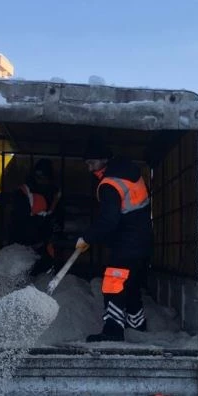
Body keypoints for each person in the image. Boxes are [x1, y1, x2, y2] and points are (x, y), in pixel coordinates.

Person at [76, 138, 152, 342]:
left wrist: (87, 237)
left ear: (103, 160)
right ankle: (137, 326)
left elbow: (109, 221)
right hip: (142, 241)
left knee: (113, 284)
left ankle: (113, 330)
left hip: (127, 242)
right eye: (87, 164)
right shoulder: (128, 172)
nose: (89, 169)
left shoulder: (110, 184)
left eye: (91, 163)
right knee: (132, 284)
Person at [11, 158, 61, 276]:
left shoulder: (55, 193)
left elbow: (58, 216)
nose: (41, 180)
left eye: (44, 177)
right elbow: (19, 221)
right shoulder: (23, 192)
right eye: (38, 176)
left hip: (46, 243)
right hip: (25, 242)